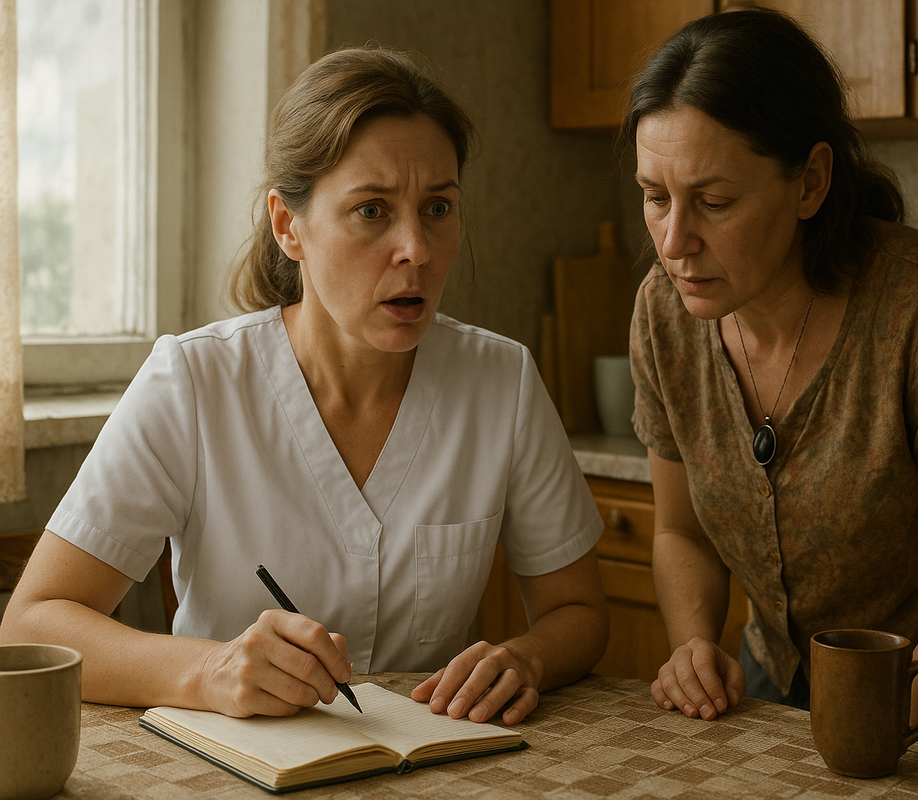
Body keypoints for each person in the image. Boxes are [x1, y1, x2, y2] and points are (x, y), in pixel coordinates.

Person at [0, 46, 609, 726]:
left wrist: (527, 657)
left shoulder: (503, 382)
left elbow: (577, 611)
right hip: (236, 765)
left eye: (438, 207)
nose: (417, 248)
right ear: (288, 226)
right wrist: (209, 671)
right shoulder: (193, 383)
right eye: (372, 210)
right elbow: (32, 623)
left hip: (438, 763)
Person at [620, 8, 918, 790]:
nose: (674, 243)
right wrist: (693, 644)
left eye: (714, 202)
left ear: (810, 181)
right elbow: (681, 532)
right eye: (655, 197)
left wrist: (907, 702)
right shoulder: (661, 313)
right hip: (787, 671)